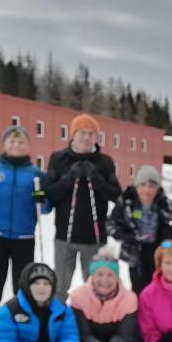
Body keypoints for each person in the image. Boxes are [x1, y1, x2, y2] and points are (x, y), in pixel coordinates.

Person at [0, 125, 50, 337]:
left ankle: (21, 315)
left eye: (21, 142)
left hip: (24, 237)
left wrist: (42, 198)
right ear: (4, 145)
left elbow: (47, 207)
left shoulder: (35, 174)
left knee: (21, 280)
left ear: (28, 147)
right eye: (12, 141)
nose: (16, 145)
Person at [44, 113, 121, 301]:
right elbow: (49, 195)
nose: (86, 137)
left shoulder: (105, 162)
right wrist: (68, 179)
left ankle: (95, 324)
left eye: (91, 133)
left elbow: (116, 195)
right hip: (64, 237)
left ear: (96, 137)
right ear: (73, 135)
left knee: (96, 287)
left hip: (94, 238)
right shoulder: (58, 159)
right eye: (82, 133)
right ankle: (56, 323)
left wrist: (98, 180)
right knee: (60, 287)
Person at [68, 245, 139, 342]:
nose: (105, 280)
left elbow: (125, 333)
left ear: (117, 277)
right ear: (92, 276)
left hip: (113, 341)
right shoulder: (78, 297)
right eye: (100, 274)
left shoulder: (129, 299)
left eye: (110, 275)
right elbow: (81, 332)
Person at [108, 164, 172, 295]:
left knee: (158, 287)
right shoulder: (126, 201)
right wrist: (127, 236)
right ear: (136, 185)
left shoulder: (163, 202)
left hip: (157, 251)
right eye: (143, 185)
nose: (147, 190)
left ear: (157, 188)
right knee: (139, 288)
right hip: (134, 251)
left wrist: (170, 232)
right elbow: (110, 225)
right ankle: (139, 313)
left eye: (152, 186)